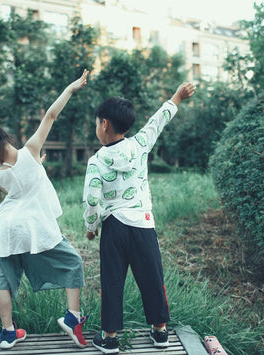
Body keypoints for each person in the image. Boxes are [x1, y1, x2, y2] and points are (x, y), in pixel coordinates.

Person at [0, 69, 90, 350]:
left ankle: (8, 332)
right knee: (73, 262)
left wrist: (38, 163)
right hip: (32, 225)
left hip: (5, 227)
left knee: (5, 281)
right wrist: (71, 89)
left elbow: (17, 187)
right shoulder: (31, 149)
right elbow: (50, 115)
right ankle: (73, 317)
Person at [83, 82, 196, 354]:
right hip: (144, 224)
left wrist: (91, 226)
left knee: (111, 281)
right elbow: (160, 119)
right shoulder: (140, 144)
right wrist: (177, 96)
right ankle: (160, 333)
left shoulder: (97, 161)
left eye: (97, 123)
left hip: (113, 228)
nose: (96, 128)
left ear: (105, 124)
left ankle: (109, 338)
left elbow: (91, 200)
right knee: (152, 278)